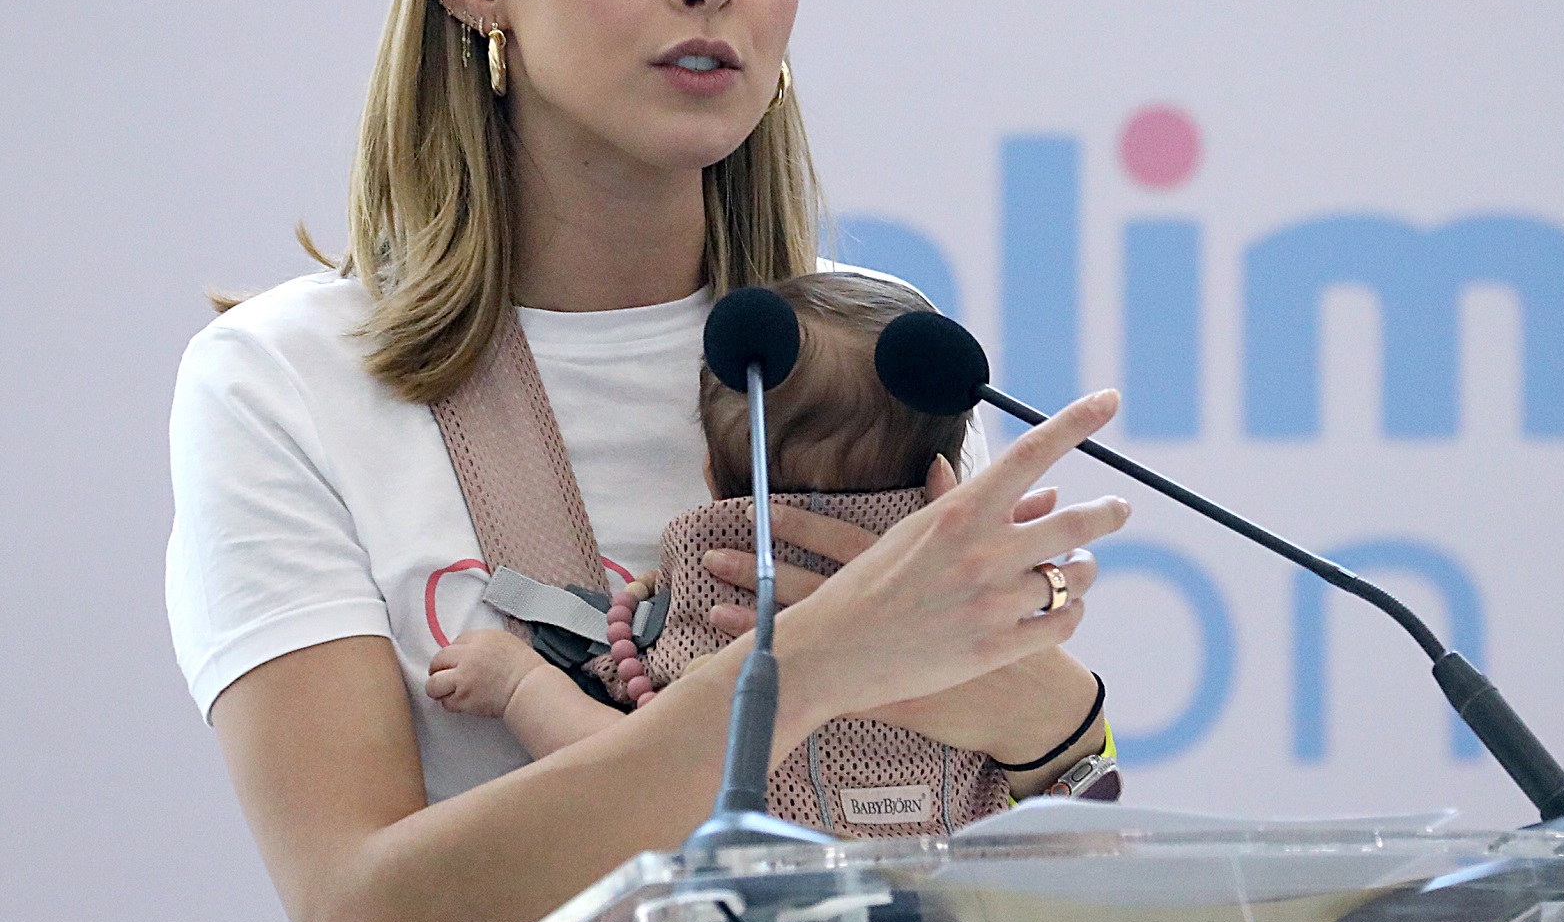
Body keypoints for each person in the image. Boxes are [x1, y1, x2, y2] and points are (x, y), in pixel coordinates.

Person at [165, 0, 1130, 922]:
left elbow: (1030, 848)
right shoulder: (285, 380)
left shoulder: (872, 348)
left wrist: (1054, 713)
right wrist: (819, 665)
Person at [421, 271, 1110, 831]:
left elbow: (628, 774)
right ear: (948, 478)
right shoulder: (978, 612)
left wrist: (524, 686)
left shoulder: (725, 604)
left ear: (714, 479)